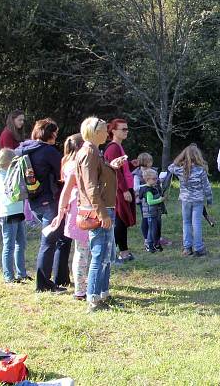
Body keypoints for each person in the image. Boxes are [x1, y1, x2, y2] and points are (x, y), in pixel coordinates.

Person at [15, 118, 70, 292]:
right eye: (55, 133)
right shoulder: (48, 151)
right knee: (48, 242)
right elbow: (62, 173)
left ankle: (59, 278)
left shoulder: (22, 149)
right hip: (48, 200)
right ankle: (44, 284)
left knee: (57, 238)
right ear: (50, 133)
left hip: (32, 201)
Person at [76, 117, 124, 312]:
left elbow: (97, 178)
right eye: (104, 130)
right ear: (95, 132)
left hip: (105, 208)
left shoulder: (95, 151)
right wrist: (102, 213)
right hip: (99, 211)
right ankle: (93, 300)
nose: (107, 133)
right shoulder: (88, 152)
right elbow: (90, 187)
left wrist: (111, 166)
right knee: (99, 255)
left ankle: (103, 294)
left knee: (106, 256)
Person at [56, 134, 90, 300]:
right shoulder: (78, 164)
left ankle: (82, 286)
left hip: (74, 208)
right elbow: (68, 189)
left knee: (81, 250)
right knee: (83, 251)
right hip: (81, 209)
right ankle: (81, 289)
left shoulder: (67, 162)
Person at [168, 144, 213, 257]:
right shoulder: (201, 170)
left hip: (185, 200)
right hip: (198, 200)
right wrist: (209, 200)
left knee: (186, 223)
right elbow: (206, 187)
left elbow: (170, 167)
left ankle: (187, 248)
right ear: (198, 156)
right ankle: (199, 248)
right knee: (196, 223)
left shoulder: (179, 169)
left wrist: (179, 159)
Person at [103, 118, 137, 263]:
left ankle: (124, 250)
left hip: (125, 187)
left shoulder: (118, 147)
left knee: (123, 220)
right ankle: (121, 252)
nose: (126, 132)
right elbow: (115, 172)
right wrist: (124, 190)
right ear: (113, 131)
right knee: (120, 220)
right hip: (118, 190)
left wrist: (131, 165)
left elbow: (122, 168)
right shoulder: (113, 148)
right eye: (123, 129)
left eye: (127, 129)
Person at [0, 148, 28, 283]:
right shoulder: (0, 176)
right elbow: (8, 192)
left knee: (21, 243)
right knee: (9, 245)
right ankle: (9, 276)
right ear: (7, 162)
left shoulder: (12, 173)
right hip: (7, 213)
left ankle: (21, 273)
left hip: (18, 211)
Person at [138, 168, 165, 253]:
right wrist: (160, 200)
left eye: (156, 178)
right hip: (150, 213)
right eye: (153, 179)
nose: (156, 180)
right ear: (147, 179)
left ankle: (155, 244)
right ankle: (150, 245)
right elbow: (150, 202)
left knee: (154, 229)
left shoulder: (153, 188)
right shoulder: (148, 190)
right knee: (152, 230)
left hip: (154, 212)